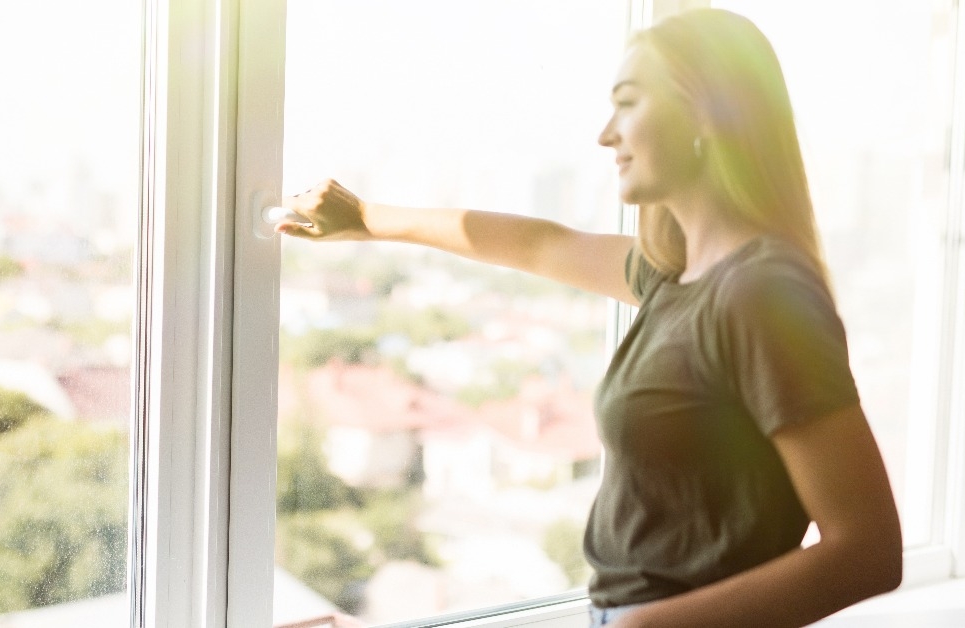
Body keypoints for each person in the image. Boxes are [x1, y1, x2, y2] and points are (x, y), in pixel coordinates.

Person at [275, 8, 902, 627]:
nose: (606, 135)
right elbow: (542, 246)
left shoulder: (760, 294)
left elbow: (868, 552)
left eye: (628, 103)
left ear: (704, 113)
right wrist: (368, 219)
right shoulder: (674, 276)